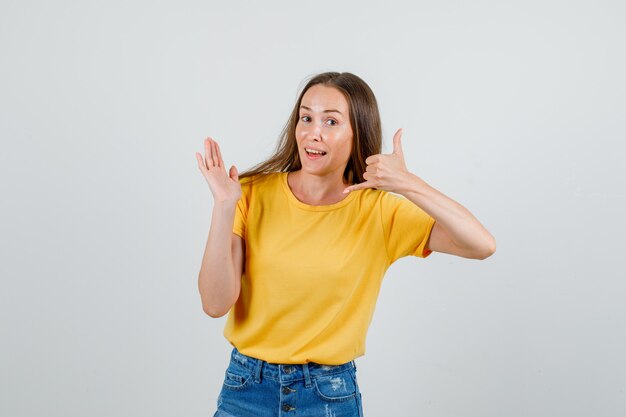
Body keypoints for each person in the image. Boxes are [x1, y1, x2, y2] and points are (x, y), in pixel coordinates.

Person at [195, 71, 496, 417]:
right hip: (246, 389)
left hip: (327, 396)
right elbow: (215, 304)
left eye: (331, 121)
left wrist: (409, 184)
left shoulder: (379, 211)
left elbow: (481, 244)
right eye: (306, 118)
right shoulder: (248, 194)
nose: (313, 132)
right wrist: (223, 206)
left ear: (358, 133)